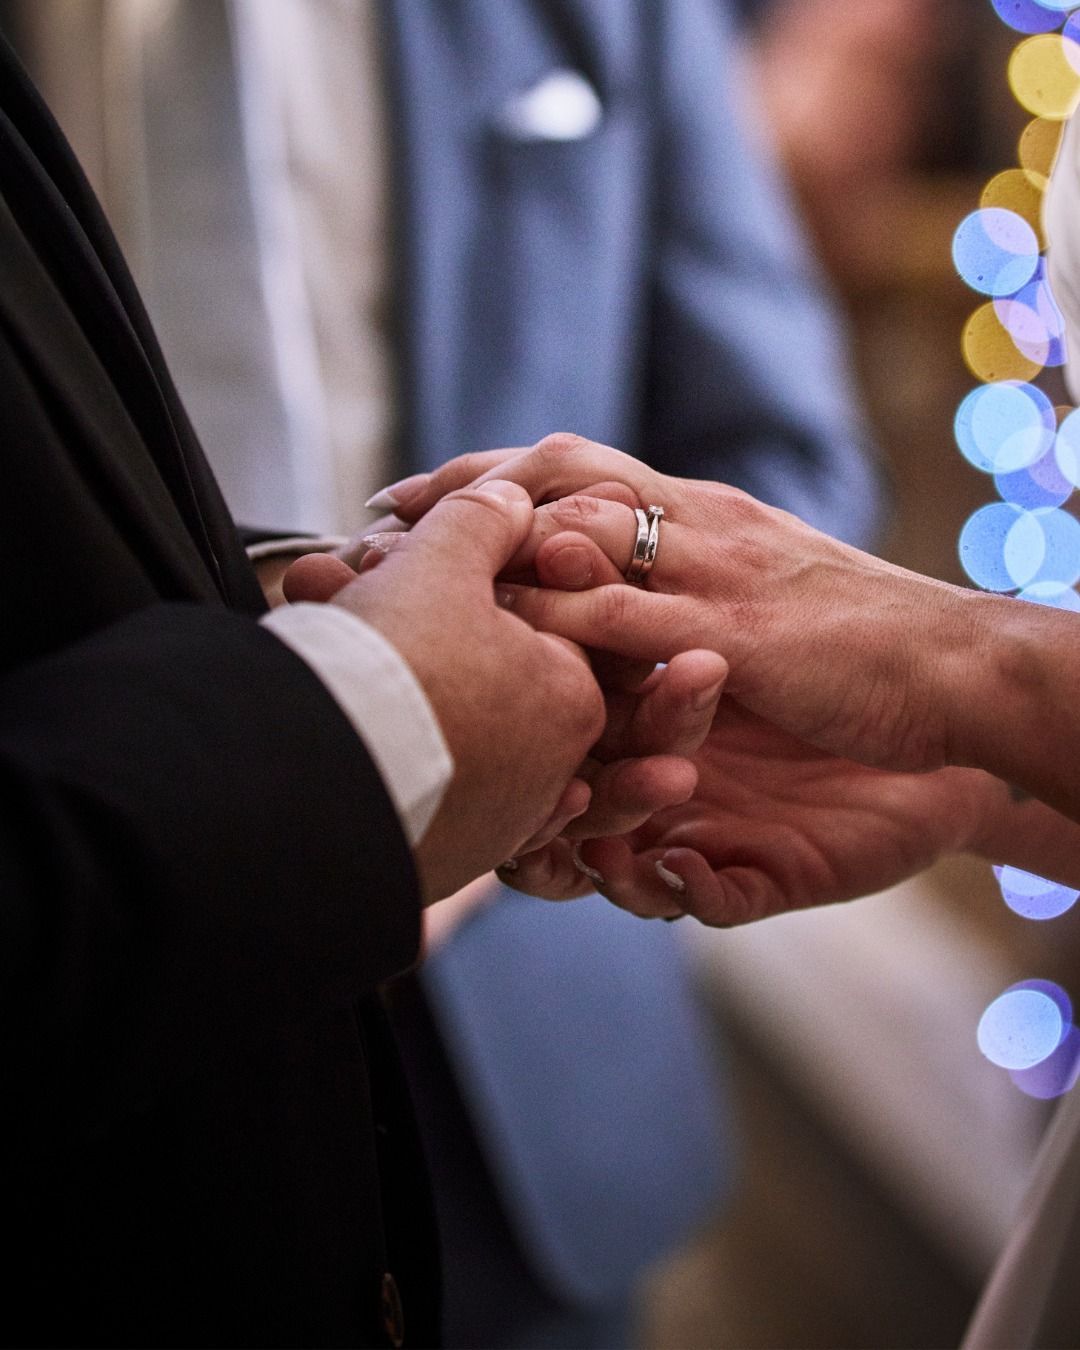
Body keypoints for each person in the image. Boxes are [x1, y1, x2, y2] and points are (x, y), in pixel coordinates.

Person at [30, 4, 884, 1341]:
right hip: (78, 1054)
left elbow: (781, 466)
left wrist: (539, 682)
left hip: (517, 1088)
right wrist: (353, 749)